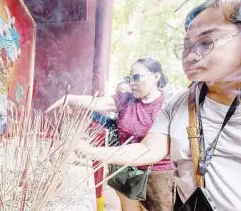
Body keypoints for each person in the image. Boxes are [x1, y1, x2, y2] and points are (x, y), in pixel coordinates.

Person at [76, 0, 241, 211]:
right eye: (186, 46)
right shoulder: (179, 103)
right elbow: (147, 149)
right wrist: (87, 150)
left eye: (206, 42)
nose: (190, 55)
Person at [45, 58, 175, 211]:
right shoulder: (126, 99)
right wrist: (71, 99)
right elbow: (97, 102)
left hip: (158, 175)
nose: (131, 83)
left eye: (136, 77)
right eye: (129, 78)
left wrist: (89, 151)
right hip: (126, 169)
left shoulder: (169, 104)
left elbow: (150, 148)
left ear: (156, 77)